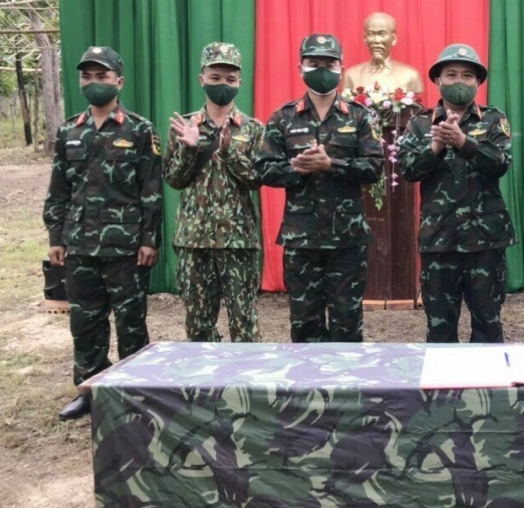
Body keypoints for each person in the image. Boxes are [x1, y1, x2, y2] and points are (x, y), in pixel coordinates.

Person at [43, 46, 162, 421]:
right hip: (80, 244)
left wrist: (149, 239)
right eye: (87, 76)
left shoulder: (139, 130)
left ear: (119, 82)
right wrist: (56, 236)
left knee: (131, 324)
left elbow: (151, 190)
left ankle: (134, 393)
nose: (94, 82)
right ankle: (90, 392)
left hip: (126, 247)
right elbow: (59, 189)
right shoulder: (69, 131)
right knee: (85, 324)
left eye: (102, 76)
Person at [254, 34, 383, 343]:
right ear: (301, 68)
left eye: (329, 64)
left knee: (347, 323)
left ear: (341, 69)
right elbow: (263, 169)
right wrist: (296, 169)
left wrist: (331, 165)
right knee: (304, 324)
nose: (322, 70)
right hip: (302, 239)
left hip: (347, 239)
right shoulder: (283, 118)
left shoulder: (360, 116)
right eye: (314, 63)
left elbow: (374, 168)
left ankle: (347, 376)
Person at [398, 44, 515, 343]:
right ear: (438, 81)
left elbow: (501, 164)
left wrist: (465, 143)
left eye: (467, 75)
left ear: (478, 82)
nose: (459, 81)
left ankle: (488, 375)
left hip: (485, 240)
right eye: (451, 75)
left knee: (488, 324)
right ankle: (442, 377)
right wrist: (435, 147)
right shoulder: (420, 122)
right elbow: (408, 170)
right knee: (440, 329)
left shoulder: (494, 119)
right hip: (439, 240)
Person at [165, 42, 264, 343]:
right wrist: (190, 149)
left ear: (240, 82)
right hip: (194, 241)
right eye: (215, 77)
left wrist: (230, 152)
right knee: (198, 327)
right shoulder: (183, 126)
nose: (223, 84)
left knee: (245, 325)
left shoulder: (253, 129)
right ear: (202, 79)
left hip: (238, 241)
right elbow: (174, 180)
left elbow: (256, 179)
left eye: (230, 79)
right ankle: (207, 375)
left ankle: (247, 374)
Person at [343, 12, 426, 93]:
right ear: (365, 38)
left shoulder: (410, 76)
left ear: (393, 39)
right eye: (371, 34)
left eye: (382, 34)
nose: (376, 40)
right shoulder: (351, 75)